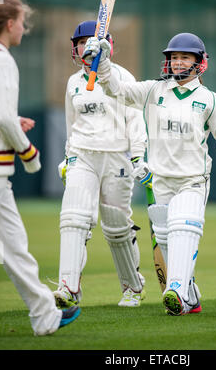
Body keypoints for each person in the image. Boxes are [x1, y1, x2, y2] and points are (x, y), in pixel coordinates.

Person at [84, 31, 216, 316]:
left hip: (192, 180)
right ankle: (189, 295)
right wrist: (101, 63)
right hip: (160, 180)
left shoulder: (209, 100)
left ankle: (175, 289)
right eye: (173, 57)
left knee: (183, 227)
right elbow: (118, 90)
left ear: (200, 62)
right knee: (165, 237)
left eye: (184, 57)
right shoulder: (155, 91)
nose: (177, 63)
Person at [0, 0, 80, 335]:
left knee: (14, 248)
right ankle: (45, 314)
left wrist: (13, 121)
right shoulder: (3, 60)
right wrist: (27, 151)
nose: (25, 29)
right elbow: (1, 116)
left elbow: (2, 115)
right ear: (9, 24)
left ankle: (45, 314)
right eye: (22, 22)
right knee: (13, 248)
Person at [53, 21, 148, 308]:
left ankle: (133, 287)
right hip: (83, 155)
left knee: (117, 227)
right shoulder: (73, 82)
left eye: (89, 42)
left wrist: (138, 156)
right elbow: (72, 123)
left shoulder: (122, 77)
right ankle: (68, 288)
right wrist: (69, 155)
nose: (85, 47)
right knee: (73, 218)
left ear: (108, 47)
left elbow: (136, 120)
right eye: (80, 43)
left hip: (116, 156)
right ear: (75, 48)